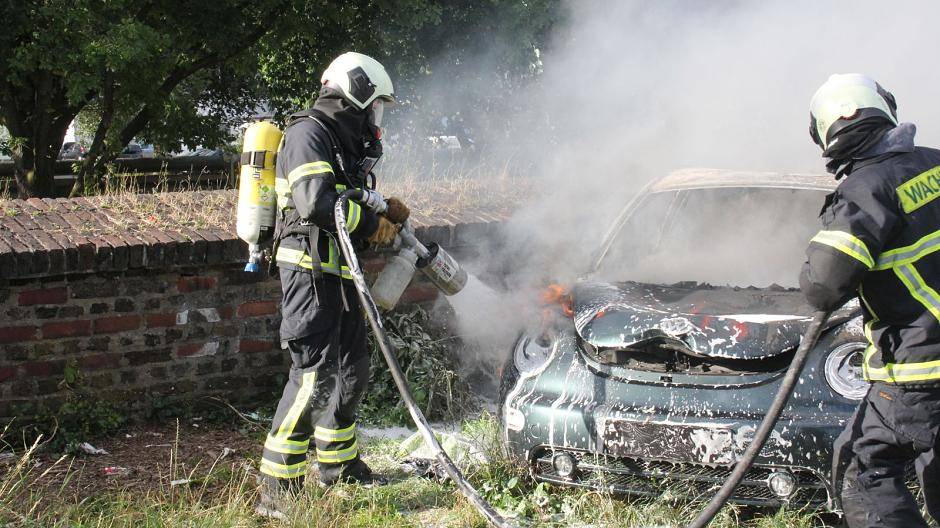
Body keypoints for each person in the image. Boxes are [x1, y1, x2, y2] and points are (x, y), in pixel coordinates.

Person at [256, 52, 411, 519]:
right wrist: (372, 223)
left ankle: (339, 466)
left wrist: (382, 211)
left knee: (352, 371)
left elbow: (347, 198)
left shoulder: (342, 144)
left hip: (340, 274)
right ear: (356, 94)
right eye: (375, 104)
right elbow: (315, 202)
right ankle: (277, 489)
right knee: (313, 376)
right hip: (308, 271)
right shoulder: (308, 133)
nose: (376, 116)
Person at [800, 73, 940, 527]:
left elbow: (823, 284)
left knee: (864, 471)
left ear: (826, 134)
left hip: (919, 371)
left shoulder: (866, 189)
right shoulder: (935, 163)